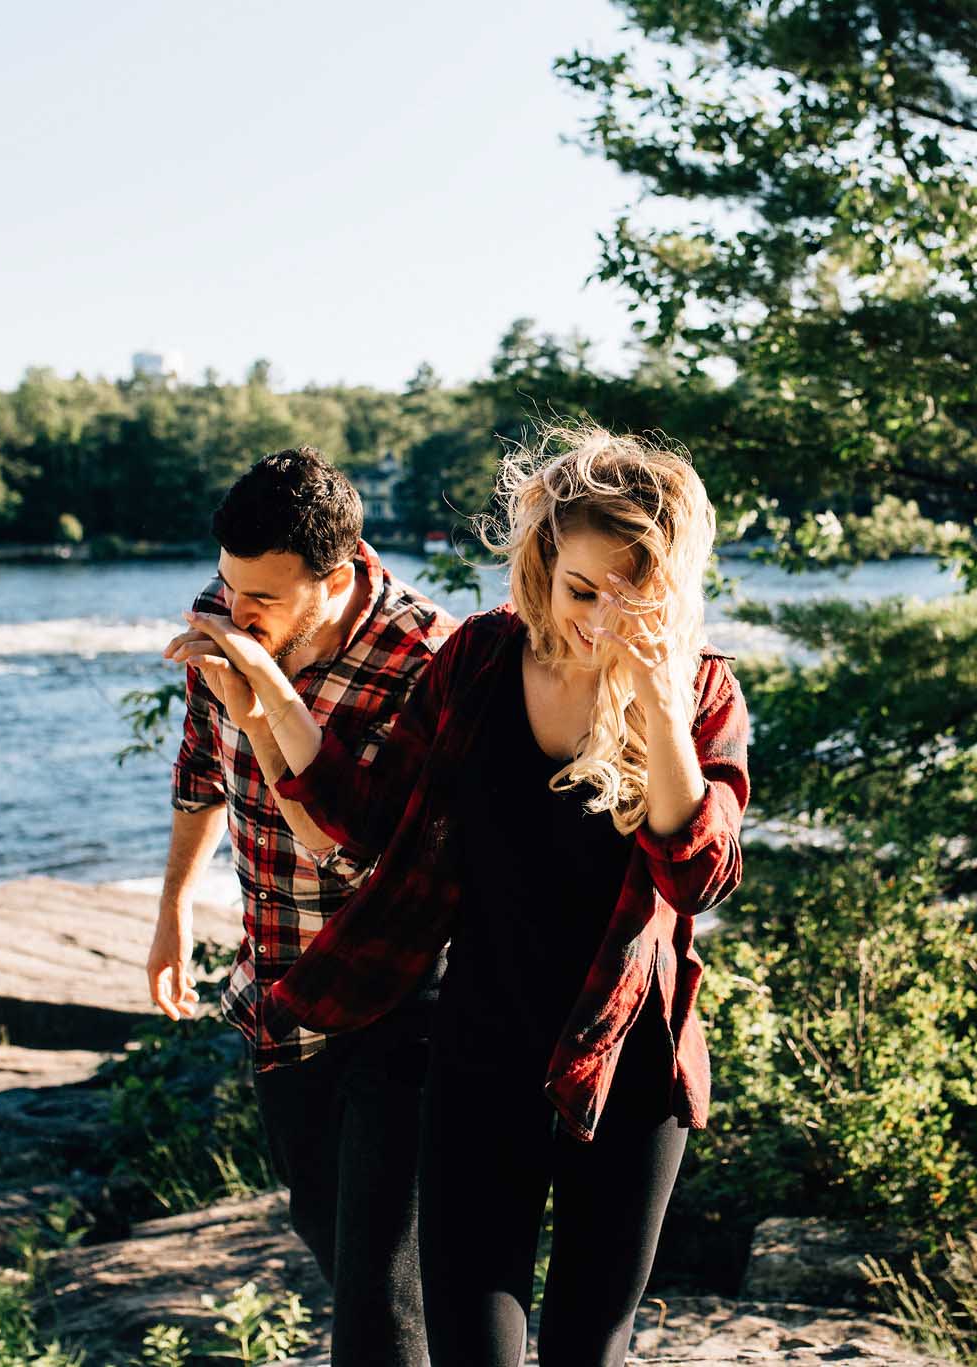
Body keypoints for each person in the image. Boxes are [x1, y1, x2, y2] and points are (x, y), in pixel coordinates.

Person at [173, 424, 750, 1367]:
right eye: (582, 590)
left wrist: (656, 700)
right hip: (481, 1054)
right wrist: (268, 699)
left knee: (583, 1352)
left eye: (632, 594)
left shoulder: (701, 691)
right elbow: (364, 821)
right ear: (543, 562)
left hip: (628, 1063)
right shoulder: (480, 661)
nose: (600, 619)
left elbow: (699, 875)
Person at [148, 446, 455, 1367]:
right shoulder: (226, 617)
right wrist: (172, 910)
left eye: (264, 599)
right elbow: (202, 768)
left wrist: (269, 702)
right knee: (329, 1238)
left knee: (377, 1297)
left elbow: (369, 856)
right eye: (229, 586)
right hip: (279, 988)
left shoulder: (429, 658)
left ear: (339, 572)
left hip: (405, 994)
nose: (237, 613)